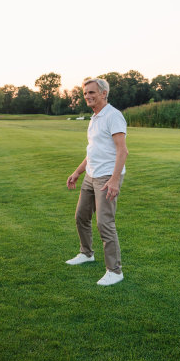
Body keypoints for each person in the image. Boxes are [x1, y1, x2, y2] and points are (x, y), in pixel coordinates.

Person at [66, 78, 129, 286]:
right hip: (90, 175)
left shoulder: (113, 116)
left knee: (105, 223)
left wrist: (113, 180)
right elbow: (92, 151)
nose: (87, 96)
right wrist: (77, 172)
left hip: (106, 177)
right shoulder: (94, 118)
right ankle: (86, 253)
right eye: (85, 93)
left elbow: (122, 151)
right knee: (81, 217)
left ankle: (115, 270)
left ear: (103, 93)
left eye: (91, 92)